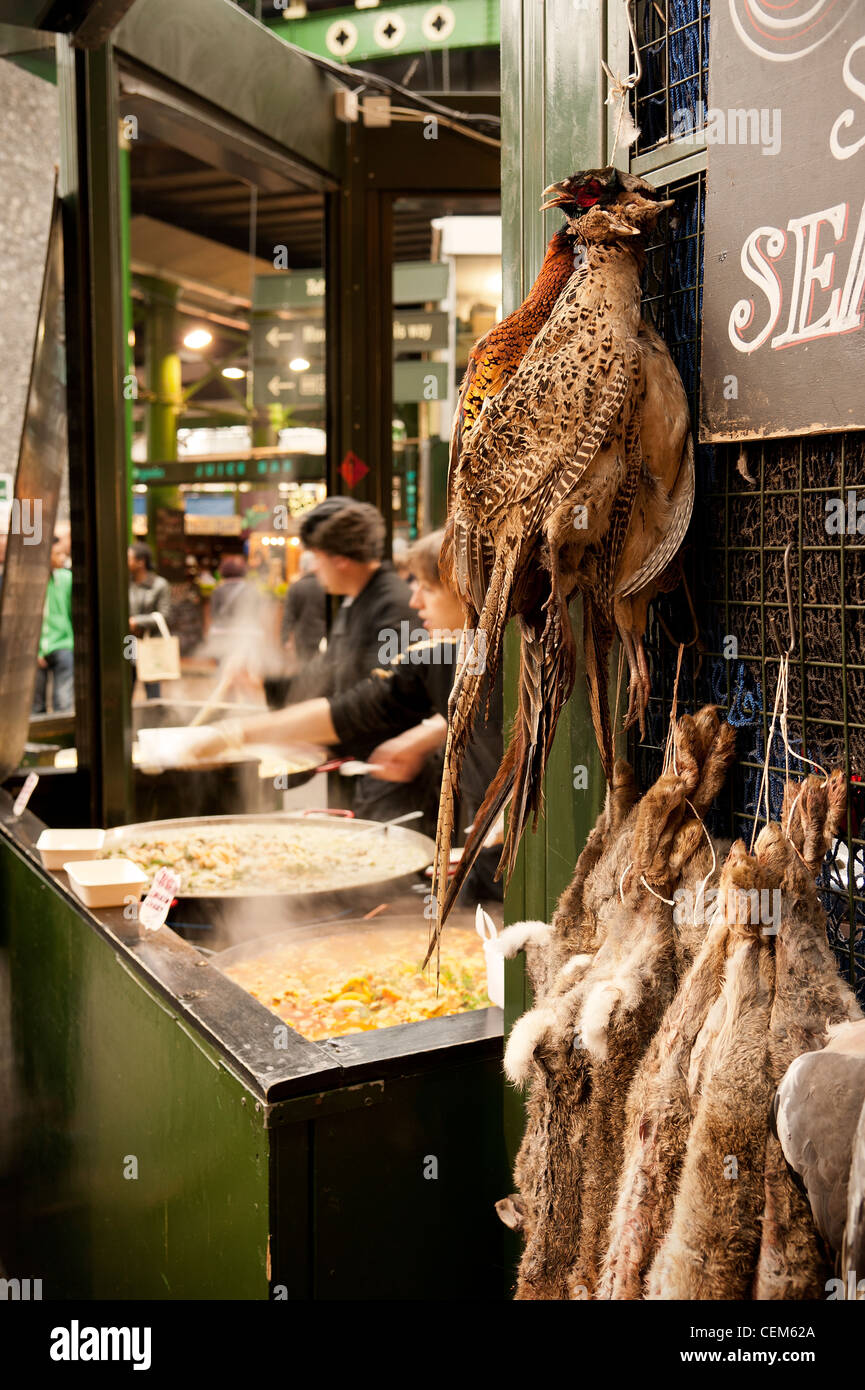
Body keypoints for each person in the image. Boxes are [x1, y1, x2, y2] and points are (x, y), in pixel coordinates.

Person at [183, 528, 504, 899]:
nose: (415, 601)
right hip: (481, 850)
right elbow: (353, 709)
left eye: (427, 589)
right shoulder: (442, 653)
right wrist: (237, 733)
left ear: (470, 594)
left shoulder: (520, 658)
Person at [33, 535, 74, 713]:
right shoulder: (31, 582)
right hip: (35, 648)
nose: (62, 557)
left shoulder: (67, 578)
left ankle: (65, 741)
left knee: (64, 700)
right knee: (36, 704)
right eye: (57, 554)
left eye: (63, 553)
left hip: (63, 644)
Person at [128, 542, 172, 700]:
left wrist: (136, 622)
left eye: (129, 558)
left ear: (141, 562)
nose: (126, 562)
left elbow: (165, 615)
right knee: (127, 685)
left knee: (153, 689)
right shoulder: (125, 583)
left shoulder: (160, 585)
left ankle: (155, 720)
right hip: (129, 642)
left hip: (151, 642)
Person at [168, 554, 205, 658]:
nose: (190, 571)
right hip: (178, 631)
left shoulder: (195, 587)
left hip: (192, 632)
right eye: (188, 568)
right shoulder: (171, 586)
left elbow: (198, 609)